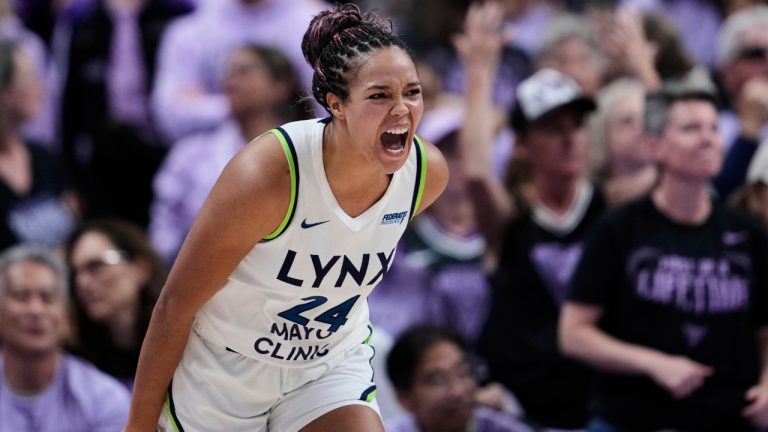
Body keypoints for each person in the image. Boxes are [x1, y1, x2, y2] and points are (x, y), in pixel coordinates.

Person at [123, 4, 448, 431]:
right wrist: (138, 425)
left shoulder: (426, 175)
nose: (403, 109)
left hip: (325, 364)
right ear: (337, 104)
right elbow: (173, 306)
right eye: (379, 95)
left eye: (412, 91)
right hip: (226, 369)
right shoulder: (267, 175)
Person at [559, 89, 768, 431]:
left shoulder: (748, 234)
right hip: (632, 416)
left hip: (726, 416)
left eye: (714, 128)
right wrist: (652, 363)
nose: (708, 139)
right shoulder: (619, 228)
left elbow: (764, 331)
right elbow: (574, 334)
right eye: (690, 129)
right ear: (654, 146)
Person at [456, 3, 603, 429]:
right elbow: (479, 174)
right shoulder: (509, 222)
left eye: (577, 125)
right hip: (521, 410)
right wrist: (480, 71)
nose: (570, 138)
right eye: (554, 128)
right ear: (522, 145)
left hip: (597, 405)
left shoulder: (609, 208)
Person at [149, 43, 312, 265]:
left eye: (243, 71)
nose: (230, 81)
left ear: (280, 86)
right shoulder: (189, 155)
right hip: (204, 278)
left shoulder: (311, 151)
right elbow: (163, 234)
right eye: (227, 72)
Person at [0, 244, 130, 431]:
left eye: (48, 298)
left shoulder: (103, 398)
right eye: (20, 296)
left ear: (66, 314)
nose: (35, 310)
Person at [65, 218, 167, 389]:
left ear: (140, 269)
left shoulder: (184, 340)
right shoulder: (76, 361)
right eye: (76, 273)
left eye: (95, 266)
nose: (82, 283)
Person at [0, 40, 78, 250]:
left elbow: (76, 225)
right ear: (5, 93)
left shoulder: (44, 157)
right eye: (30, 79)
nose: (40, 89)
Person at [385, 325, 537, 432]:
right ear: (404, 399)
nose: (458, 391)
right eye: (438, 380)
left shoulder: (502, 428)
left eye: (463, 373)